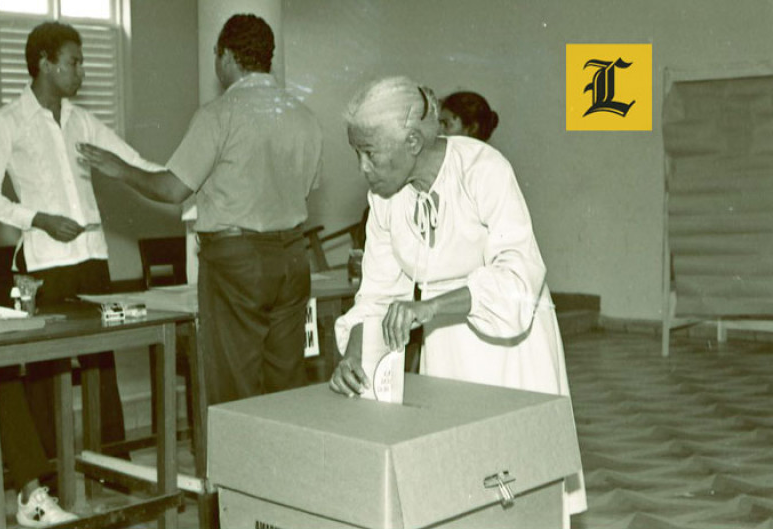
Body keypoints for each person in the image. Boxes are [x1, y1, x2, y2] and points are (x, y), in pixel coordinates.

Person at [328, 76, 586, 526]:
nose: (362, 168)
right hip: (447, 353)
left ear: (412, 141)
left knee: (520, 497)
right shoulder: (385, 201)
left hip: (511, 349)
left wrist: (432, 307)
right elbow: (377, 294)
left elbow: (519, 276)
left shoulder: (483, 169)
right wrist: (355, 350)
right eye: (357, 154)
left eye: (370, 153)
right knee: (456, 491)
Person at [77, 14, 323, 406]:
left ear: (225, 55)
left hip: (236, 263)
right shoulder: (304, 116)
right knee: (285, 380)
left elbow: (173, 188)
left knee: (234, 384)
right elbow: (306, 189)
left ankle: (235, 468)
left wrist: (119, 169)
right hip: (293, 259)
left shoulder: (219, 114)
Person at [0, 21, 163, 526]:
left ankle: (114, 466)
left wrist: (180, 185)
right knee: (42, 374)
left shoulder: (82, 121)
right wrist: (37, 218)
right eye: (74, 61)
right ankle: (49, 484)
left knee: (101, 364)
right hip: (42, 264)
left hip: (92, 258)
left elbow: (132, 160)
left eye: (81, 60)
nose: (81, 69)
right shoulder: (5, 121)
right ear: (44, 63)